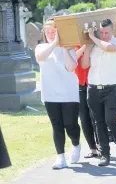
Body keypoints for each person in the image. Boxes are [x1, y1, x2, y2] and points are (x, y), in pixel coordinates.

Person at [35, 18, 81, 169]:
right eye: (47, 31)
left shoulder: (68, 48)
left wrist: (65, 49)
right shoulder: (41, 47)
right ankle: (60, 157)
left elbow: (70, 67)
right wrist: (54, 43)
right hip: (50, 94)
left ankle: (76, 143)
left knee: (70, 124)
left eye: (53, 31)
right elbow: (41, 57)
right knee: (57, 126)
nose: (50, 34)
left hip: (69, 94)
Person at [81, 19, 116, 166]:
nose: (104, 35)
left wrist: (93, 37)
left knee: (110, 119)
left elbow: (109, 48)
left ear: (112, 31)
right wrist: (88, 46)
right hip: (93, 88)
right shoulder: (93, 45)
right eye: (101, 32)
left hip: (112, 88)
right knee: (99, 122)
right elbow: (84, 64)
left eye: (106, 32)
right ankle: (105, 154)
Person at [75, 45, 100, 158]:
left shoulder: (95, 43)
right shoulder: (74, 45)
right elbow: (73, 58)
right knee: (84, 118)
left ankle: (101, 146)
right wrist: (85, 47)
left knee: (95, 117)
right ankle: (92, 148)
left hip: (94, 83)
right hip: (79, 84)